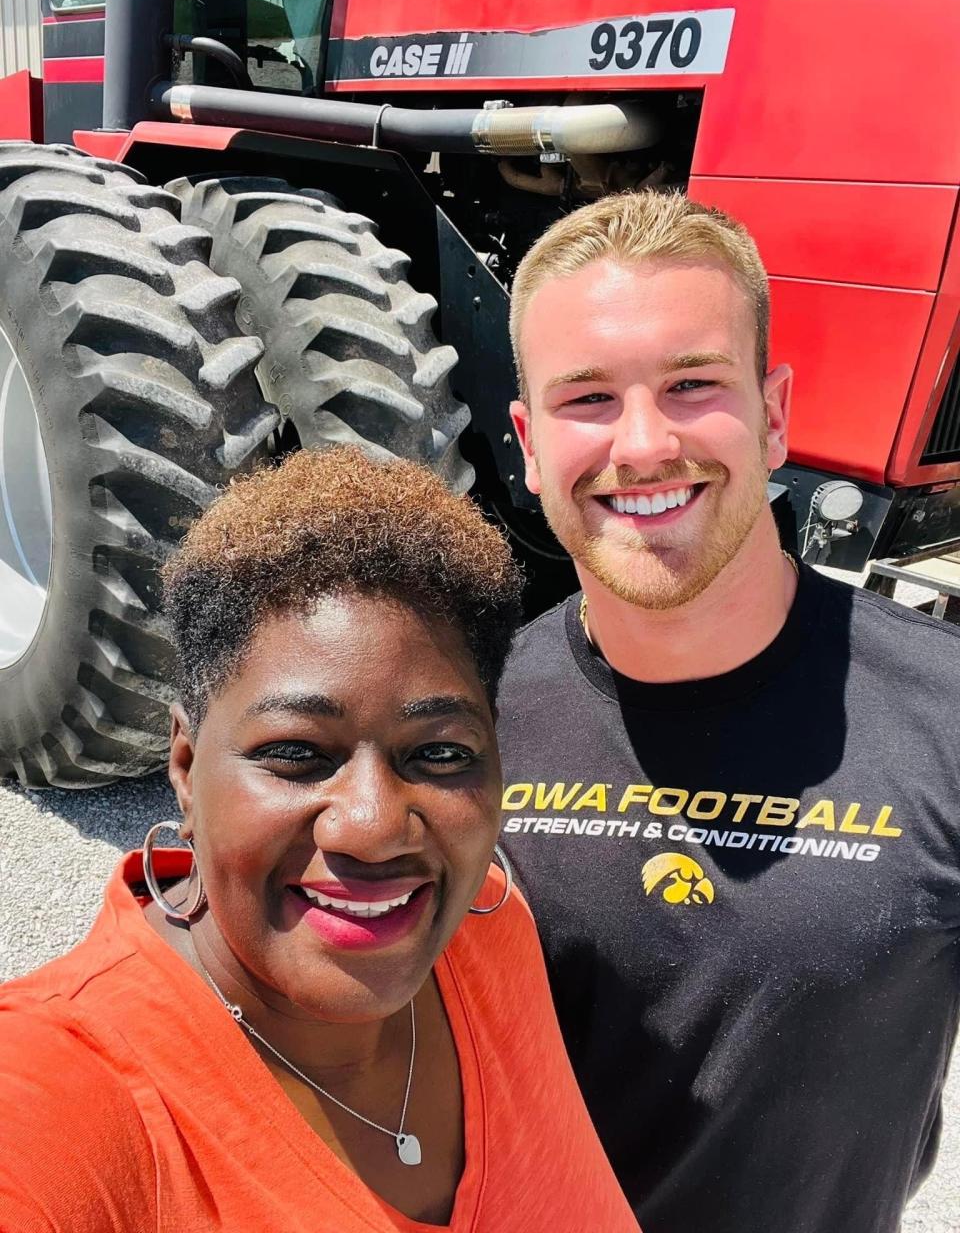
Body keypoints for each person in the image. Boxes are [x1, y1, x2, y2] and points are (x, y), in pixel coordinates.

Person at [0, 447, 640, 1233]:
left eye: (439, 753)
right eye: (297, 753)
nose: (373, 829)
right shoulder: (67, 1095)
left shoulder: (486, 936)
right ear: (186, 765)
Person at [496, 190, 960, 1233]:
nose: (646, 443)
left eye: (693, 383)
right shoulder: (459, 725)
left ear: (776, 411)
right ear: (528, 443)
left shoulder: (947, 716)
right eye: (589, 399)